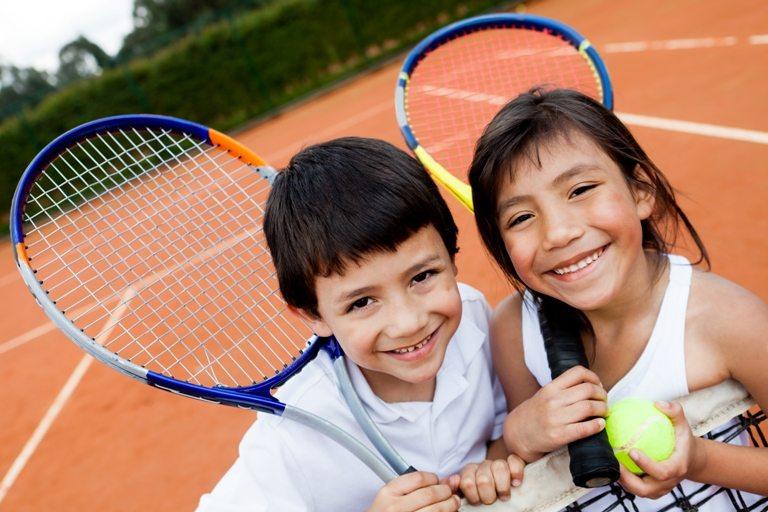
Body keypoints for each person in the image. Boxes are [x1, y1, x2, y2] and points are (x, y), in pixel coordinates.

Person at [467, 88, 767, 508]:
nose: (557, 233)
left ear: (640, 191)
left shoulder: (727, 320)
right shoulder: (514, 329)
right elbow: (523, 470)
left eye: (580, 190)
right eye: (521, 217)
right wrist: (518, 436)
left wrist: (700, 459)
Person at [197, 137, 523, 512]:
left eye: (422, 277)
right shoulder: (297, 426)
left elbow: (500, 430)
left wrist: (493, 463)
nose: (408, 322)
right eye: (362, 302)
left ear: (452, 257)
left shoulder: (473, 317)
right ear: (313, 314)